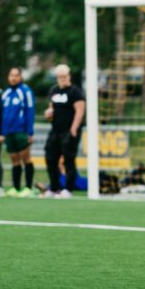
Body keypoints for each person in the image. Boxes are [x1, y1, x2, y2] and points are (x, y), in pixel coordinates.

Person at [44, 64, 85, 199]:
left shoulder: (75, 91)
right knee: (50, 158)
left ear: (69, 76)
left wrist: (74, 129)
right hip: (56, 130)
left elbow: (80, 110)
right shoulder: (54, 91)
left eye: (64, 76)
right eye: (60, 77)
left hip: (69, 131)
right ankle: (54, 187)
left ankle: (68, 189)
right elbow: (51, 109)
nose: (62, 79)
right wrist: (48, 114)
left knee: (68, 160)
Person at [0, 67, 35, 198]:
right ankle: (16, 187)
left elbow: (30, 111)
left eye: (16, 75)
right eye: (11, 75)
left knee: (26, 158)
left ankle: (29, 188)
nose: (13, 78)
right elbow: (3, 114)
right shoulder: (6, 92)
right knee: (14, 160)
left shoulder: (25, 91)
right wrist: (2, 132)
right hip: (9, 132)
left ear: (20, 77)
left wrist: (29, 132)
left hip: (21, 131)